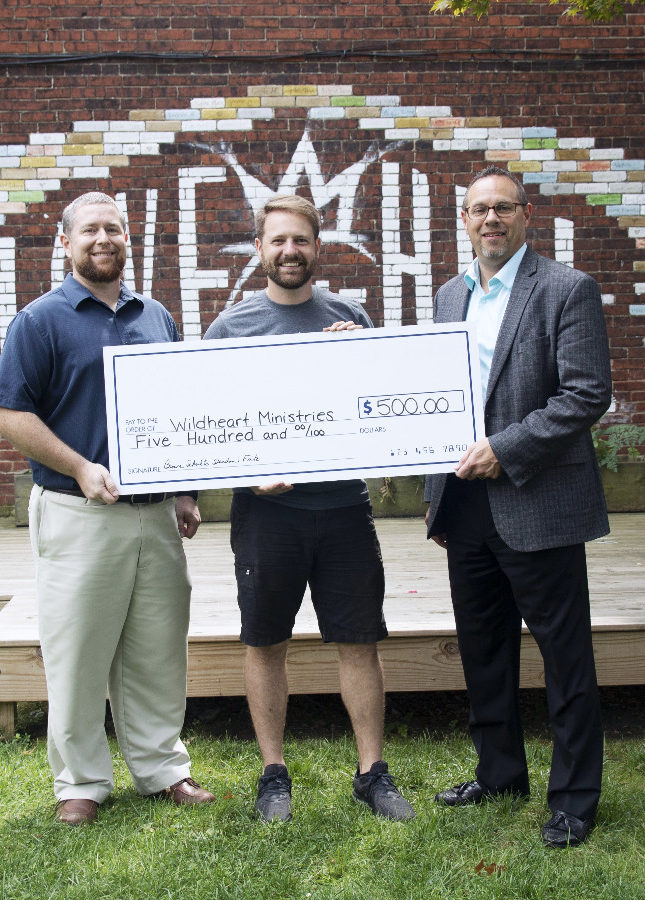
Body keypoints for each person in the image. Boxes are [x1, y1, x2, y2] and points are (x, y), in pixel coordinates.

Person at [0, 191, 215, 825]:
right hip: (77, 512)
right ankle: (81, 783)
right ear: (65, 242)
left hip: (154, 515)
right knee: (79, 654)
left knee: (158, 649)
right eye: (89, 230)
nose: (103, 239)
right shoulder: (40, 320)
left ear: (127, 239)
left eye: (114, 228)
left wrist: (186, 491)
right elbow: (7, 412)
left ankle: (162, 767)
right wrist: (80, 466)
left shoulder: (158, 319)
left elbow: (179, 412)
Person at [203, 194, 414, 822]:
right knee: (265, 640)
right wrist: (248, 475)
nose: (289, 251)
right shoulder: (231, 328)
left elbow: (382, 409)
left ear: (317, 247)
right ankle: (274, 774)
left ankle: (372, 773)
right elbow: (206, 426)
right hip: (267, 517)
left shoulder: (352, 317)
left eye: (301, 240)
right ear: (259, 250)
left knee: (359, 639)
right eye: (277, 241)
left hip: (344, 508)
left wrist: (361, 359)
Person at [424, 167, 612, 848]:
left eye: (503, 207)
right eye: (479, 209)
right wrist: (438, 498)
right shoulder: (450, 295)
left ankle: (574, 798)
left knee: (564, 658)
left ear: (527, 215)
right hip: (468, 504)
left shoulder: (566, 289)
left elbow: (586, 394)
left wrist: (504, 449)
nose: (491, 219)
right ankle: (500, 772)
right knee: (484, 652)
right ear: (465, 220)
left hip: (538, 497)